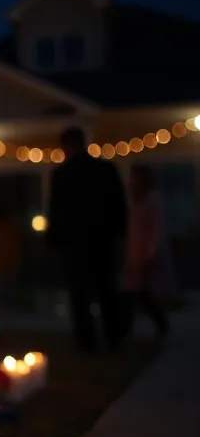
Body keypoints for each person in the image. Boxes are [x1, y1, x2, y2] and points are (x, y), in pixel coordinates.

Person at [47, 126, 128, 351]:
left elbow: (56, 211)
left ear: (66, 146)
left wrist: (54, 241)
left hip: (76, 245)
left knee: (80, 294)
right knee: (107, 290)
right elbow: (119, 205)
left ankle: (86, 341)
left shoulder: (62, 174)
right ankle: (114, 337)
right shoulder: (106, 169)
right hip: (104, 241)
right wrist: (119, 234)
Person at [124, 165, 173, 338]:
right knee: (136, 293)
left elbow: (156, 228)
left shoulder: (153, 199)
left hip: (146, 254)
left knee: (143, 294)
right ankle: (127, 328)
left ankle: (160, 326)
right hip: (136, 252)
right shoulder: (137, 199)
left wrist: (151, 252)